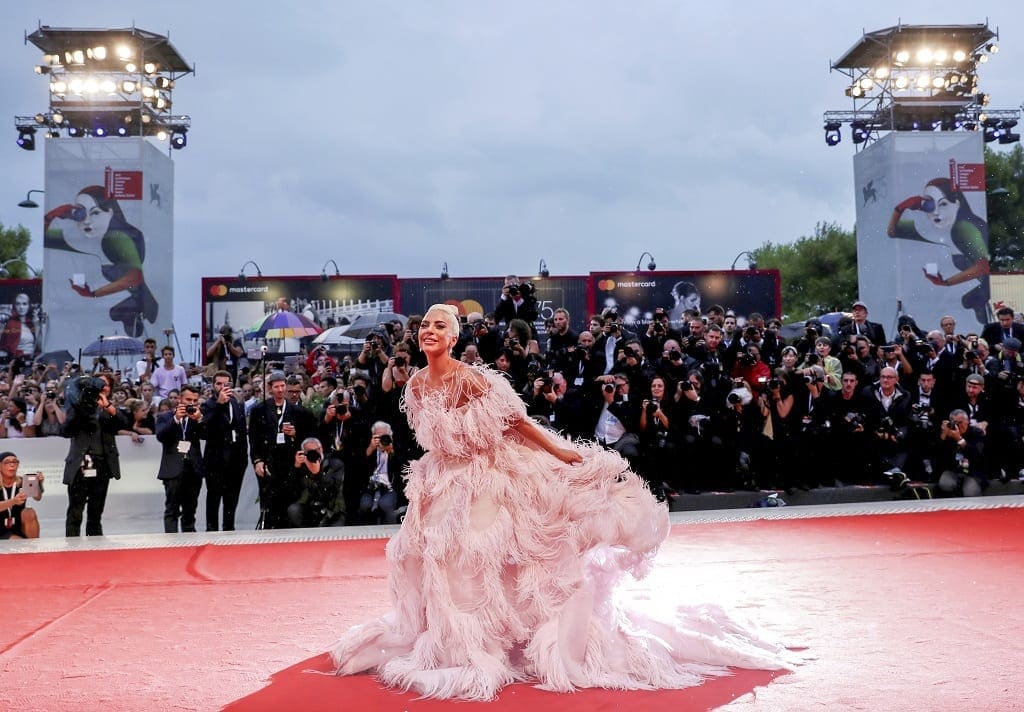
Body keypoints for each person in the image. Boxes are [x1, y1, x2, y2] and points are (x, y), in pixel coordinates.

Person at [331, 303, 794, 700]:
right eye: (424, 327)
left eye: (438, 327)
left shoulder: (470, 379)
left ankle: (487, 643)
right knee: (428, 557)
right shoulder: (414, 386)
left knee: (477, 556)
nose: (429, 332)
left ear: (452, 338)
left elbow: (517, 422)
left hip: (487, 474)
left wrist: (559, 452)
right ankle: (455, 638)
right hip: (441, 481)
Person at [43, 185, 158, 336]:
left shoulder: (116, 237)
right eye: (82, 214)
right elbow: (48, 238)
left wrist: (93, 294)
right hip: (134, 302)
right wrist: (52, 215)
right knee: (115, 313)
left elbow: (134, 277)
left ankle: (132, 316)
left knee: (116, 313)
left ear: (110, 212)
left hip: (141, 302)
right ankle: (129, 316)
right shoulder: (85, 238)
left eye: (95, 213)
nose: (87, 221)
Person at [887, 177, 990, 324]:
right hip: (960, 295)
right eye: (929, 205)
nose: (935, 212)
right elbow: (892, 231)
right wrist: (901, 208)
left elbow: (983, 266)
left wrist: (946, 282)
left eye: (943, 204)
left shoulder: (963, 227)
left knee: (969, 301)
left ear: (957, 204)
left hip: (986, 288)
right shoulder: (931, 228)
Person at [61, 374, 127, 537]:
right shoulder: (78, 405)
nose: (102, 386)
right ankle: (72, 549)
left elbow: (124, 423)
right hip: (79, 464)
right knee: (75, 511)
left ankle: (95, 550)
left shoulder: (109, 410)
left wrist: (108, 407)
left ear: (110, 389)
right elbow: (66, 431)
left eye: (106, 384)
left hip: (102, 464)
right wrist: (81, 409)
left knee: (96, 512)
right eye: (99, 383)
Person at [201, 370, 249, 531]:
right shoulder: (208, 405)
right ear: (213, 386)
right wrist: (218, 404)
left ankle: (229, 529)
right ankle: (211, 530)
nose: (222, 387)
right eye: (219, 384)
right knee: (213, 497)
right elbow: (205, 429)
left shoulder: (237, 403)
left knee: (232, 498)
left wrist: (243, 458)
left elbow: (241, 431)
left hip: (236, 459)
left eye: (226, 384)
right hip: (215, 459)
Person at [156, 384, 206, 533]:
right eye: (188, 399)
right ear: (179, 399)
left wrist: (199, 419)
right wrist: (176, 419)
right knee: (172, 509)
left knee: (190, 510)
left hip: (193, 468)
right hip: (173, 469)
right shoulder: (165, 417)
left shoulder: (198, 416)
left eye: (195, 400)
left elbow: (207, 435)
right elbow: (161, 436)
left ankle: (190, 544)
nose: (191, 403)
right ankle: (171, 545)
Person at [0, 451, 43, 540]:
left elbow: (37, 497)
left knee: (29, 512)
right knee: (16, 541)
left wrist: (37, 484)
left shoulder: (22, 481)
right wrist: (13, 501)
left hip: (17, 525)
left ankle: (34, 547)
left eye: (15, 462)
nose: (12, 465)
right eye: (7, 462)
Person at [0, 293, 40, 360]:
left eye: (24, 304)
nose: (21, 307)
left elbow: (40, 346)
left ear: (29, 306)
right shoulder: (11, 323)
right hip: (18, 360)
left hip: (34, 360)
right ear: (14, 306)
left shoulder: (32, 323)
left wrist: (36, 324)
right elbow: (4, 346)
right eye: (18, 304)